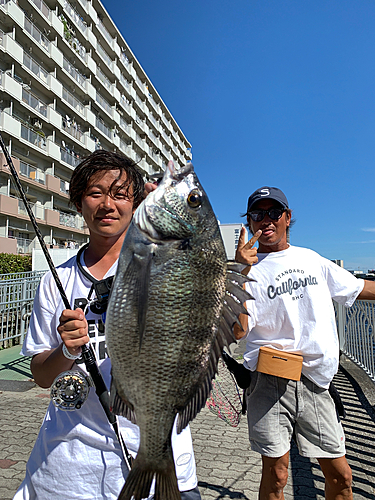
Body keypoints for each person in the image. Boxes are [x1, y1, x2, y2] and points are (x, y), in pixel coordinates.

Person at [14, 150, 201, 500]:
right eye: (95, 193)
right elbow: (40, 374)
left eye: (120, 194)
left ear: (137, 202)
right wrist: (66, 350)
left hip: (164, 459)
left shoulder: (168, 266)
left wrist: (169, 199)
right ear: (78, 202)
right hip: (67, 469)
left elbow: (199, 254)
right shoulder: (57, 280)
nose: (107, 205)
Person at [234, 186, 375, 500]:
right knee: (277, 475)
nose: (266, 220)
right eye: (258, 214)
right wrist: (241, 269)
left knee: (341, 477)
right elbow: (239, 330)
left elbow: (358, 288)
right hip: (268, 382)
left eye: (273, 212)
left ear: (287, 217)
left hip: (315, 380)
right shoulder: (247, 270)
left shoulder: (312, 260)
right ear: (249, 222)